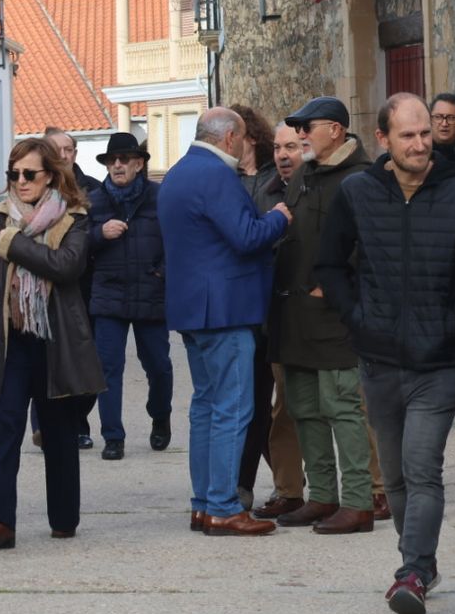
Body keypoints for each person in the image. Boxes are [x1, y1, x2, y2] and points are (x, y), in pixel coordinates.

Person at [316, 94, 455, 614]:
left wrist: (454, 326)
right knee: (393, 478)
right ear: (383, 139)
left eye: (425, 134)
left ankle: (412, 571)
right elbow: (329, 265)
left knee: (422, 470)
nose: (420, 144)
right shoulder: (357, 191)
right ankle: (420, 564)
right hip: (379, 361)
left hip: (440, 364)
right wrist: (358, 319)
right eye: (408, 136)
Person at [0, 136, 104, 548]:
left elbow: (66, 266)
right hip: (10, 342)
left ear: (50, 176)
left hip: (56, 341)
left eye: (29, 173)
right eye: (14, 174)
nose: (20, 181)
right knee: (4, 428)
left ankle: (63, 516)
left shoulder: (74, 218)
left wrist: (15, 244)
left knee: (59, 432)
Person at [157, 107, 290, 536]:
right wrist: (279, 217)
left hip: (193, 310)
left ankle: (203, 503)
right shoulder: (217, 175)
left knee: (205, 408)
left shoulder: (177, 174)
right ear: (231, 137)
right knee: (233, 409)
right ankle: (223, 506)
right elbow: (247, 236)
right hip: (226, 310)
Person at [265, 97, 376, 535]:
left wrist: (332, 288)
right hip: (294, 317)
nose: (301, 135)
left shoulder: (361, 178)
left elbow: (369, 245)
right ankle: (323, 496)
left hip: (333, 318)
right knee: (304, 408)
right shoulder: (304, 175)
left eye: (307, 127)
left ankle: (358, 502)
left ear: (335, 129)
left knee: (342, 408)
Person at [86, 132, 172, 460]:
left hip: (151, 291)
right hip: (109, 293)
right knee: (108, 368)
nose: (117, 165)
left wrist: (163, 271)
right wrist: (99, 233)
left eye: (124, 159)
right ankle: (113, 437)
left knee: (159, 366)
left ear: (138, 164)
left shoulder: (159, 197)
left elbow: (177, 239)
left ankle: (160, 415)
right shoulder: (94, 201)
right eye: (112, 160)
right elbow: (78, 244)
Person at [239, 122, 307, 516]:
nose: (283, 155)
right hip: (265, 312)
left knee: (329, 405)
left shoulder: (317, 189)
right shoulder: (263, 191)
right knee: (270, 408)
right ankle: (286, 489)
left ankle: (364, 491)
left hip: (309, 311)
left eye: (291, 147)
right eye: (279, 147)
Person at [43, 126, 101, 450]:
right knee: (45, 359)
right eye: (57, 150)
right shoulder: (35, 189)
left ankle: (78, 420)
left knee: (86, 360)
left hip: (86, 285)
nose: (64, 156)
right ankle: (45, 426)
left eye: (68, 150)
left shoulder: (93, 190)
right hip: (44, 286)